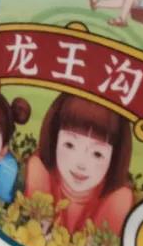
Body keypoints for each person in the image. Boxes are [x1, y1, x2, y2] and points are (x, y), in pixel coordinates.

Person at [25, 94, 134, 235]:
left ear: (115, 158)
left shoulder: (118, 198)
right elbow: (35, 231)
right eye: (69, 145)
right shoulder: (40, 168)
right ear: (54, 139)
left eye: (97, 154)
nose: (81, 164)